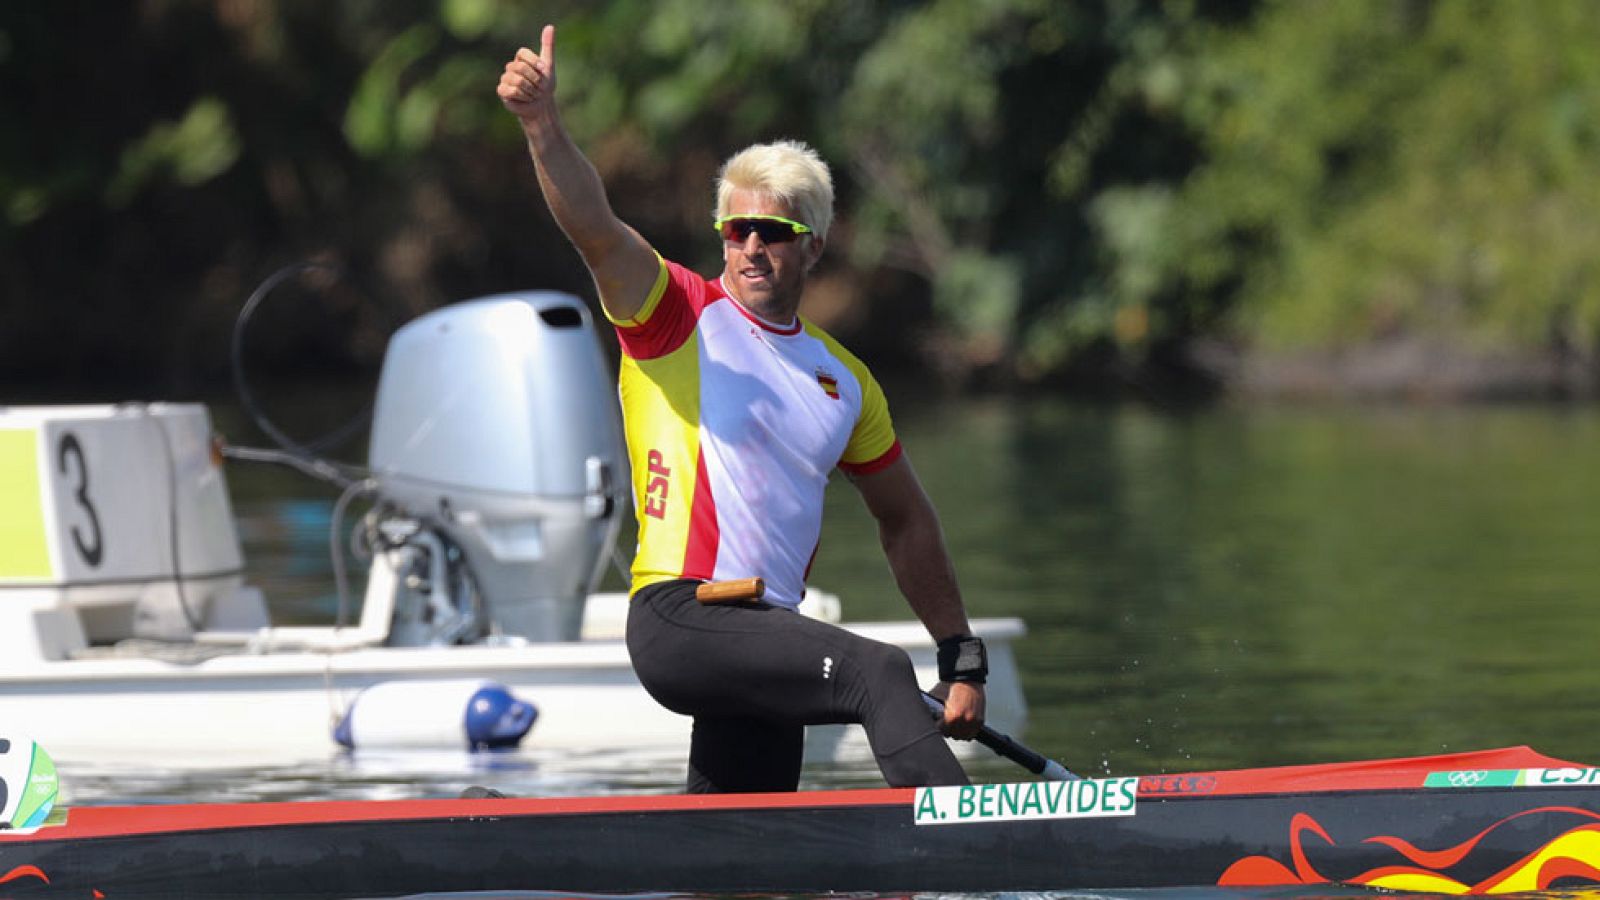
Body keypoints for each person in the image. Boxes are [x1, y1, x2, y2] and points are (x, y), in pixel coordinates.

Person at [498, 25, 989, 793]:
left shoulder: (846, 380)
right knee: (876, 670)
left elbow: (906, 518)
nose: (752, 246)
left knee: (740, 844)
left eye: (775, 231)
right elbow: (594, 228)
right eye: (737, 229)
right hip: (681, 616)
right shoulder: (675, 315)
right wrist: (542, 126)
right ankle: (981, 858)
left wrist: (961, 653)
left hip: (767, 635)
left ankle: (513, 841)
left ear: (815, 246)